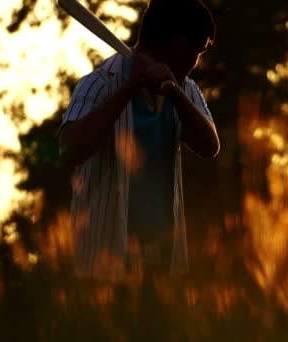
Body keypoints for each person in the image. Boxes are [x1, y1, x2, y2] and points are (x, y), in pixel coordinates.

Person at [58, 0, 219, 281]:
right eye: (198, 51)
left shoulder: (183, 89)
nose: (196, 62)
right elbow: (70, 149)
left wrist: (175, 94)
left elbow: (210, 146)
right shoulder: (100, 83)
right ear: (181, 45)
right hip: (103, 260)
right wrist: (131, 85)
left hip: (163, 264)